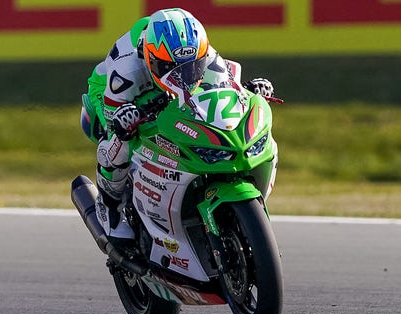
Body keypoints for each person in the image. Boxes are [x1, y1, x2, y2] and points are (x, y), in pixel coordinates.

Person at [79, 8, 275, 250]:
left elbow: (229, 92)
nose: (183, 76)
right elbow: (114, 120)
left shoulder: (206, 56)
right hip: (115, 92)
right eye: (170, 68)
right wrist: (125, 119)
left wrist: (249, 90)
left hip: (160, 83)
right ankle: (110, 207)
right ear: (151, 58)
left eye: (191, 67)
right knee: (119, 142)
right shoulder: (125, 74)